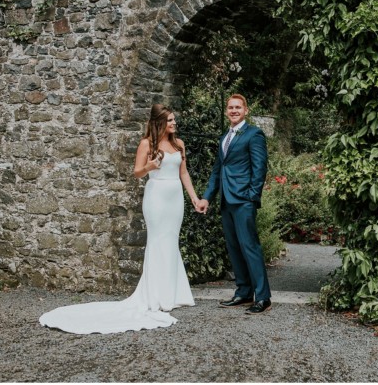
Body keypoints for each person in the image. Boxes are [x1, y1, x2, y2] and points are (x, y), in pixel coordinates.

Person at [39, 104, 198, 334]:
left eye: (174, 120)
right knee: (156, 241)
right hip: (156, 198)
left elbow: (183, 173)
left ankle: (173, 294)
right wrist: (150, 166)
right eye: (170, 121)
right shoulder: (147, 144)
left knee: (171, 241)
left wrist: (194, 198)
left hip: (175, 199)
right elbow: (136, 172)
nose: (174, 124)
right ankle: (155, 296)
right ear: (159, 123)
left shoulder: (178, 144)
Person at [196, 94, 271, 314]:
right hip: (226, 201)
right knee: (234, 247)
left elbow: (260, 169)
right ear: (226, 111)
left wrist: (252, 196)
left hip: (243, 200)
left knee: (250, 246)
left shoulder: (254, 134)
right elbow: (217, 171)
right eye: (230, 107)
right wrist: (207, 197)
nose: (234, 110)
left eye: (238, 107)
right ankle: (244, 292)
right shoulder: (224, 138)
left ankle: (263, 297)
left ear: (246, 110)